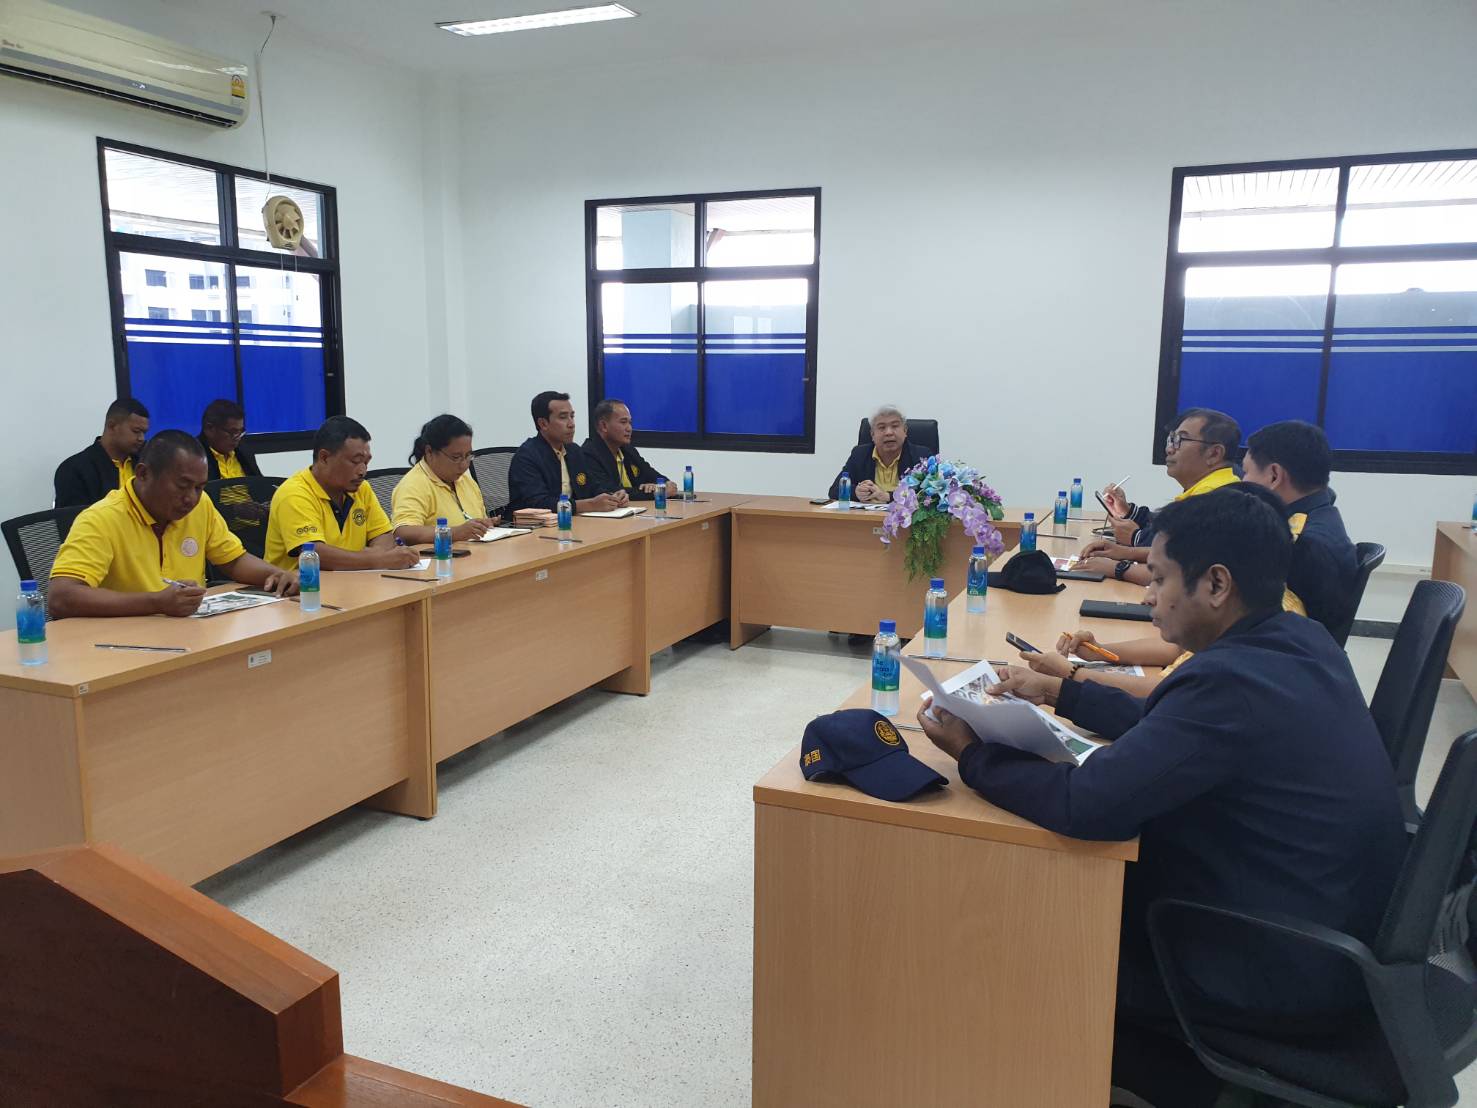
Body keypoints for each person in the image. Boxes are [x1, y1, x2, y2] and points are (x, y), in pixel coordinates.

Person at [916, 491, 1405, 1107]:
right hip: (1323, 933)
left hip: (1271, 971)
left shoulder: (1229, 681)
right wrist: (1062, 692)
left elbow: (1085, 805)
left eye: (1161, 578)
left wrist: (971, 754)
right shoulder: (1297, 642)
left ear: (1217, 584)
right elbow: (1172, 727)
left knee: (1022, 929)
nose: (1147, 594)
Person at [49, 431, 297, 619]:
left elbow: (233, 560)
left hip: (186, 633)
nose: (191, 498)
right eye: (182, 486)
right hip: (122, 639)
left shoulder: (200, 505)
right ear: (143, 474)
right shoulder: (102, 519)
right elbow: (61, 597)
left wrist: (276, 575)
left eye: (199, 487)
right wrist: (156, 602)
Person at [1079, 408, 1240, 584]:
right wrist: (1123, 550)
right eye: (1171, 439)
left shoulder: (1213, 499)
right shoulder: (1215, 488)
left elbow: (1178, 571)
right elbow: (1175, 548)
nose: (1170, 449)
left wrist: (1117, 567)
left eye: (1180, 440)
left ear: (1214, 453)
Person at [1242, 419, 1358, 634]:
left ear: (1274, 475)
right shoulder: (1322, 516)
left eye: (1246, 472)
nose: (1243, 481)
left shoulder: (1299, 544)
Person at [263, 416, 420, 571]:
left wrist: (376, 555)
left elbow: (383, 535)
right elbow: (315, 554)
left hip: (353, 581)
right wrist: (377, 559)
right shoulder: (294, 494)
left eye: (366, 462)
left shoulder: (362, 489)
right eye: (355, 461)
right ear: (324, 458)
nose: (362, 471)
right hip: (303, 585)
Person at [391, 414, 502, 545]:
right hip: (440, 556)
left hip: (475, 552)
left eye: (468, 456)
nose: (464, 465)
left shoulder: (465, 480)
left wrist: (484, 525)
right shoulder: (413, 485)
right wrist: (455, 533)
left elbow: (472, 523)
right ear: (429, 452)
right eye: (456, 457)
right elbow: (403, 532)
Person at [507, 391, 623, 514]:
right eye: (563, 417)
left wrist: (613, 496)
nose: (571, 424)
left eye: (572, 416)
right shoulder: (527, 456)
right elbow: (538, 504)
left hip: (574, 521)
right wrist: (590, 505)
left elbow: (591, 487)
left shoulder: (574, 451)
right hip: (537, 524)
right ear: (543, 424)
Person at [54, 398, 150, 507]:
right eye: (136, 431)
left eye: (144, 433)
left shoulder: (145, 464)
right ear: (112, 426)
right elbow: (75, 517)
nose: (141, 438)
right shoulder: (74, 470)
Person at [827, 405, 929, 502]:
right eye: (882, 427)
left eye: (894, 426)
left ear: (905, 431)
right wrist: (856, 492)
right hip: (868, 514)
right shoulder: (859, 454)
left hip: (906, 514)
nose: (889, 432)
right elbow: (834, 490)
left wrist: (888, 496)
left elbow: (930, 496)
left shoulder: (921, 456)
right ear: (872, 434)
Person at [581, 399, 677, 502]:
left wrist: (663, 485)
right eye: (623, 422)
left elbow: (656, 477)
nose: (629, 428)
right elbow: (611, 492)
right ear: (604, 426)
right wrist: (657, 492)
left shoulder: (628, 450)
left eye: (630, 422)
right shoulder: (588, 453)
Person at [198, 399, 263, 481]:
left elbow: (261, 483)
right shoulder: (195, 457)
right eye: (233, 432)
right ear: (209, 429)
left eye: (241, 432)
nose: (238, 438)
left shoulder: (244, 452)